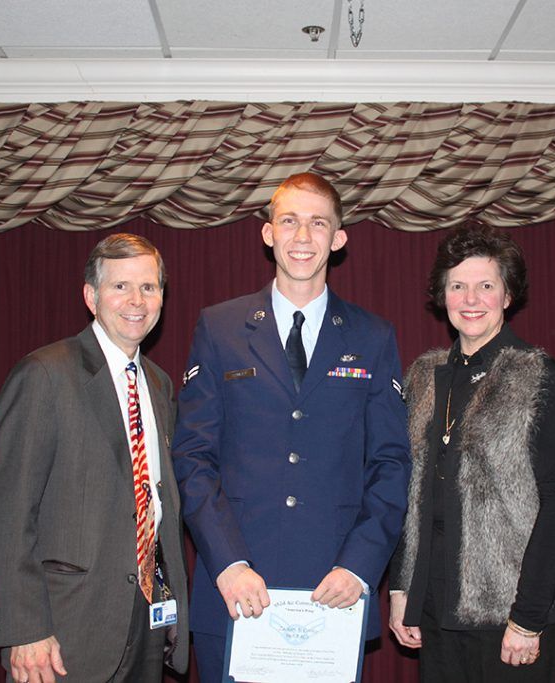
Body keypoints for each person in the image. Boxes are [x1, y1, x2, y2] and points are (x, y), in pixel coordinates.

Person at [173, 172, 411, 682]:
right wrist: (229, 564)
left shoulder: (373, 336)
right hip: (237, 590)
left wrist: (359, 567)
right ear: (267, 233)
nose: (303, 238)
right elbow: (193, 456)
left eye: (318, 224)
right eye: (290, 222)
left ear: (339, 238)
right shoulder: (219, 327)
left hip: (333, 593)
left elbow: (391, 463)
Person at [0, 234, 189, 683]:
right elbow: (10, 514)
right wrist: (25, 629)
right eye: (121, 287)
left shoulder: (159, 385)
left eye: (149, 287)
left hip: (146, 623)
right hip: (64, 634)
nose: (137, 300)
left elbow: (156, 506)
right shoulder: (44, 374)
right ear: (91, 296)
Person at [389, 225, 555, 683]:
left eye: (485, 286)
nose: (470, 298)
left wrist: (528, 617)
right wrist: (402, 590)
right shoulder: (421, 376)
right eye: (458, 286)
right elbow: (406, 494)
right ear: (443, 295)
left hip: (511, 616)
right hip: (435, 613)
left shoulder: (537, 375)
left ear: (508, 296)